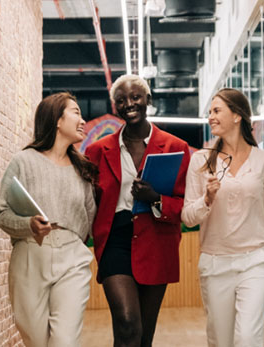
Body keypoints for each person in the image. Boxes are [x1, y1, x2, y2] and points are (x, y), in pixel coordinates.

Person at [85, 74, 191, 347]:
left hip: (157, 239)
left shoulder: (175, 148)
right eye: (121, 100)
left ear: (148, 100)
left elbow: (185, 205)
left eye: (135, 97)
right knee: (127, 322)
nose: (129, 104)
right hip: (115, 241)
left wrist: (156, 198)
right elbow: (88, 201)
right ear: (114, 106)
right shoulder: (97, 151)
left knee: (144, 335)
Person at [181, 88, 264, 347]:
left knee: (248, 338)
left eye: (217, 111)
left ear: (238, 115)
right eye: (210, 112)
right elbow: (187, 217)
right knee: (221, 341)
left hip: (255, 261)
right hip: (215, 264)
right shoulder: (200, 160)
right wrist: (206, 199)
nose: (211, 117)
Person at [0, 92, 97, 347]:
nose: (82, 120)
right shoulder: (23, 161)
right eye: (75, 112)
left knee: (64, 341)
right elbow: (2, 213)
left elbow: (89, 216)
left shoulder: (81, 168)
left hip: (73, 259)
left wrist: (72, 239)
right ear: (57, 120)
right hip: (30, 256)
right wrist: (28, 225)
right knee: (37, 341)